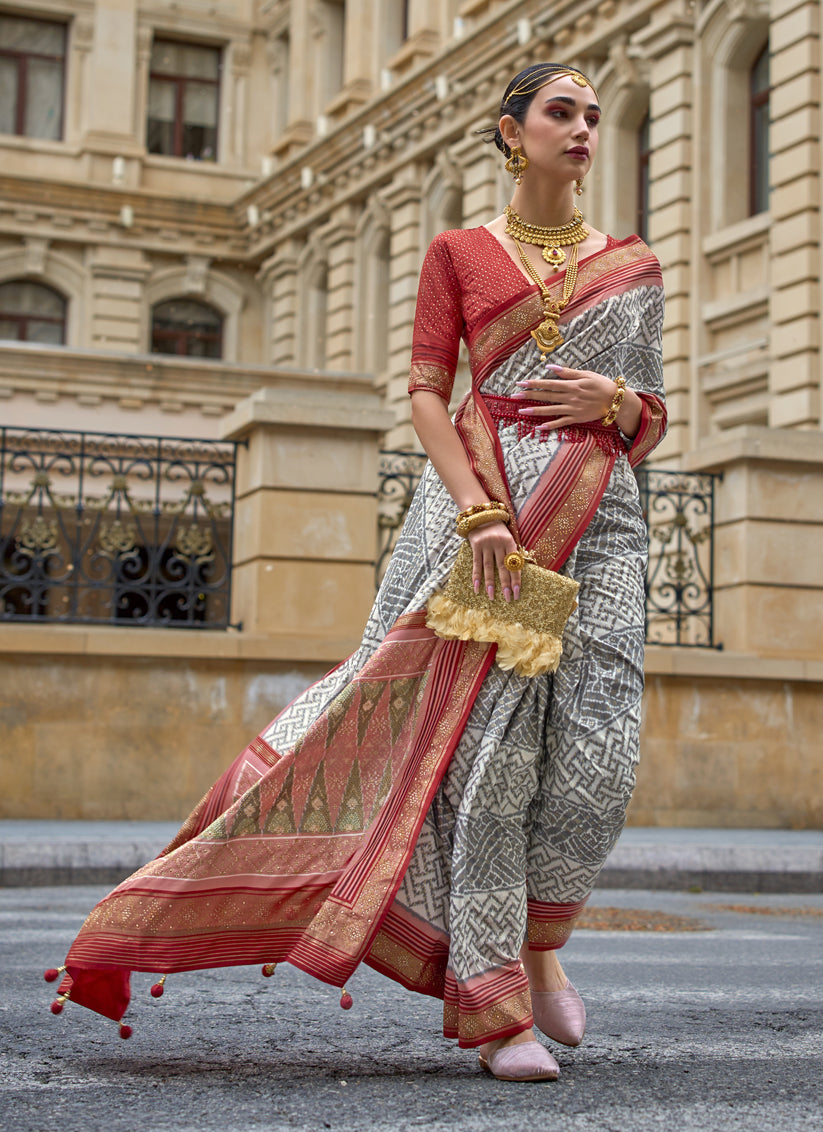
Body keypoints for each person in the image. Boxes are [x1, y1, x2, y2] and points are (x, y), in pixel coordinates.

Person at [45, 63, 666, 1083]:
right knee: (491, 760)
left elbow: (651, 413)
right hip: (487, 521)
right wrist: (475, 510)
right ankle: (496, 995)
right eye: (561, 112)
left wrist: (615, 401)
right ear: (511, 132)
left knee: (600, 760)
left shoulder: (633, 267)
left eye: (593, 115)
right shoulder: (459, 252)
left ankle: (545, 933)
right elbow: (426, 392)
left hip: (603, 521)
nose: (583, 129)